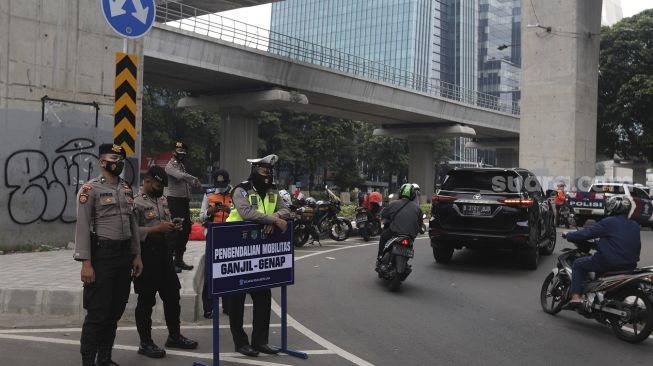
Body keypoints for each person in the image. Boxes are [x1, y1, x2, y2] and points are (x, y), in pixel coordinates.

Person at [74, 143, 143, 366]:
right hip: (102, 256)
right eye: (114, 157)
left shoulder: (126, 188)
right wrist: (86, 262)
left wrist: (136, 254)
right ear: (102, 162)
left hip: (124, 257)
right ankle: (88, 361)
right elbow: (83, 226)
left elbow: (132, 223)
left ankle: (105, 358)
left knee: (114, 311)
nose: (119, 161)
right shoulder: (90, 189)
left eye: (121, 158)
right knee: (97, 314)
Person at [225, 154, 290, 357]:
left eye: (270, 172)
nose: (268, 175)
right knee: (237, 299)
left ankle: (260, 341)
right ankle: (241, 343)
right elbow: (245, 213)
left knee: (263, 297)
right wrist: (270, 220)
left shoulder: (272, 192)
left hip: (260, 253)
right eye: (264, 171)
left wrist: (275, 217)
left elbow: (286, 209)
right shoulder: (240, 190)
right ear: (254, 171)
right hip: (237, 249)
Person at [132, 166, 199, 358]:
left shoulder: (161, 199)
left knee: (172, 295)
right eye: (158, 184)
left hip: (164, 253)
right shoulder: (135, 202)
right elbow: (131, 232)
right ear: (147, 181)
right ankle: (145, 343)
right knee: (146, 300)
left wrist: (172, 225)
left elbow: (164, 222)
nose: (161, 188)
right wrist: (155, 230)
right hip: (145, 254)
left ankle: (174, 336)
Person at [562, 195, 641, 307]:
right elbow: (622, 242)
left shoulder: (608, 222)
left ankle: (576, 297)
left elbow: (587, 233)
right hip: (630, 265)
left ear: (613, 208)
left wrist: (568, 235)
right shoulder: (635, 225)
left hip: (608, 263)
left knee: (578, 264)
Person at [199, 168, 233, 319]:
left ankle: (228, 306)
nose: (221, 186)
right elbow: (200, 217)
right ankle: (208, 308)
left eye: (223, 183)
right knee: (210, 273)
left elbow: (242, 213)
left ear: (228, 182)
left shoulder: (235, 193)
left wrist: (229, 210)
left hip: (230, 236)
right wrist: (210, 212)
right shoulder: (209, 194)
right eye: (218, 183)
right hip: (213, 236)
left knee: (229, 271)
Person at [165, 141, 201, 272]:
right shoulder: (170, 165)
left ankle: (179, 260)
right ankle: (170, 263)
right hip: (174, 201)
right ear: (173, 152)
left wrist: (192, 180)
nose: (182, 154)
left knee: (186, 230)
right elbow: (179, 176)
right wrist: (193, 178)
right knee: (175, 230)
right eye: (179, 151)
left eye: (184, 152)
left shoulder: (181, 165)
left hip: (183, 201)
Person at [377, 183, 423, 260]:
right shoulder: (418, 208)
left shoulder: (393, 204)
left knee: (384, 236)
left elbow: (384, 215)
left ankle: (380, 256)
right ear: (413, 195)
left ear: (400, 193)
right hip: (410, 236)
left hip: (395, 233)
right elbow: (420, 223)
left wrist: (385, 221)